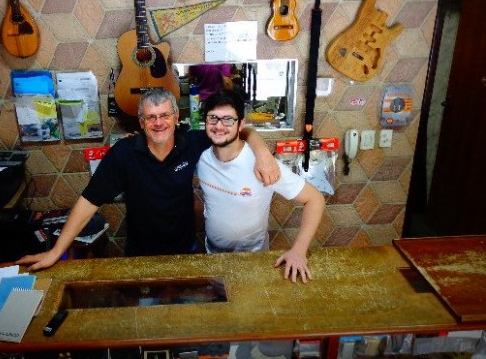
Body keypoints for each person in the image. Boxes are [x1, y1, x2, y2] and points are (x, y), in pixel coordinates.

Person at [17, 88, 280, 271]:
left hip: (186, 251)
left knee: (185, 324)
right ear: (141, 122)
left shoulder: (193, 143)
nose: (159, 123)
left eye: (165, 115)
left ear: (176, 117)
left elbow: (238, 129)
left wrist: (262, 152)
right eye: (151, 117)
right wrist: (55, 251)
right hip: (140, 255)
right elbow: (88, 203)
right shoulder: (123, 154)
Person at [197, 89, 325, 282]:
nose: (219, 126)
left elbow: (315, 199)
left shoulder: (262, 165)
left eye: (228, 120)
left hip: (254, 260)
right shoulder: (201, 157)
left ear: (241, 124)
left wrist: (299, 250)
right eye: (213, 118)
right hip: (214, 258)